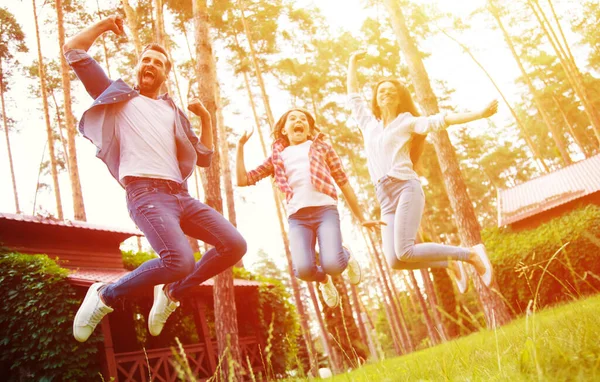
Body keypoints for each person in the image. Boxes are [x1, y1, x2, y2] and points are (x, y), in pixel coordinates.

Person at [65, 15, 247, 343]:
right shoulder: (117, 96)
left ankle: (172, 293)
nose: (150, 65)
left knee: (234, 245)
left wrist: (204, 118)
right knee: (179, 259)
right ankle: (105, 295)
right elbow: (74, 49)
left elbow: (204, 156)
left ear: (166, 73)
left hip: (181, 196)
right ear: (138, 68)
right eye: (145, 60)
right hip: (145, 193)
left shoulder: (172, 112)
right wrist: (105, 25)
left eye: (158, 62)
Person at [346, 50, 498, 293]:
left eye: (392, 92)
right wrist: (352, 62)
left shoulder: (407, 121)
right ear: (375, 99)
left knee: (406, 249)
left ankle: (470, 254)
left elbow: (441, 120)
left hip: (406, 187)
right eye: (382, 91)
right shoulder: (368, 124)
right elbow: (353, 95)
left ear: (398, 99)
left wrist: (478, 114)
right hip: (384, 198)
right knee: (395, 260)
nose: (386, 93)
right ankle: (448, 262)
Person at [236, 108, 383, 307]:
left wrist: (361, 217)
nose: (299, 121)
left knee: (333, 264)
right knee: (303, 270)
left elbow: (343, 182)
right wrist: (240, 146)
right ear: (284, 130)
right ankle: (323, 281)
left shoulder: (322, 148)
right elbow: (244, 179)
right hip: (298, 218)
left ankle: (345, 255)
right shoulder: (278, 156)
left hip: (325, 211)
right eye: (293, 119)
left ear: (309, 128)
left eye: (303, 119)